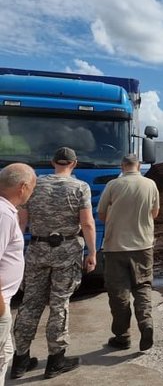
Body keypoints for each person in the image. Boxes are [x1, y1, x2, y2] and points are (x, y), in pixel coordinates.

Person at [11, 147, 96, 380]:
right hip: (66, 252)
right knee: (59, 304)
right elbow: (87, 224)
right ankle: (56, 360)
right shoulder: (80, 187)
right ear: (74, 164)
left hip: (37, 251)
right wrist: (92, 252)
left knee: (30, 303)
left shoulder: (35, 185)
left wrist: (17, 252)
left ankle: (20, 360)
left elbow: (22, 222)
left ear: (52, 162)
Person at [98, 153, 159, 352]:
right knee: (143, 287)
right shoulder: (150, 184)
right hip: (143, 246)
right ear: (138, 166)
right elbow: (155, 213)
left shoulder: (113, 185)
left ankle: (122, 337)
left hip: (115, 247)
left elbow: (101, 214)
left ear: (122, 166)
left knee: (119, 293)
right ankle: (146, 324)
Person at [0, 163, 36, 385]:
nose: (31, 193)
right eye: (32, 188)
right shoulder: (3, 215)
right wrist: (2, 308)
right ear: (22, 187)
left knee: (6, 353)